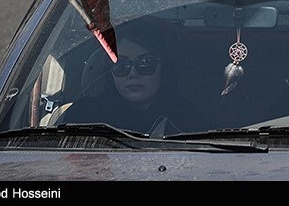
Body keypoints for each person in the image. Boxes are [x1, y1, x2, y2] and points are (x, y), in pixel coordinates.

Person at [61, 22, 207, 135]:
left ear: (164, 68)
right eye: (122, 65)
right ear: (109, 71)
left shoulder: (186, 119)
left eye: (145, 63)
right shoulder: (84, 117)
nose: (132, 74)